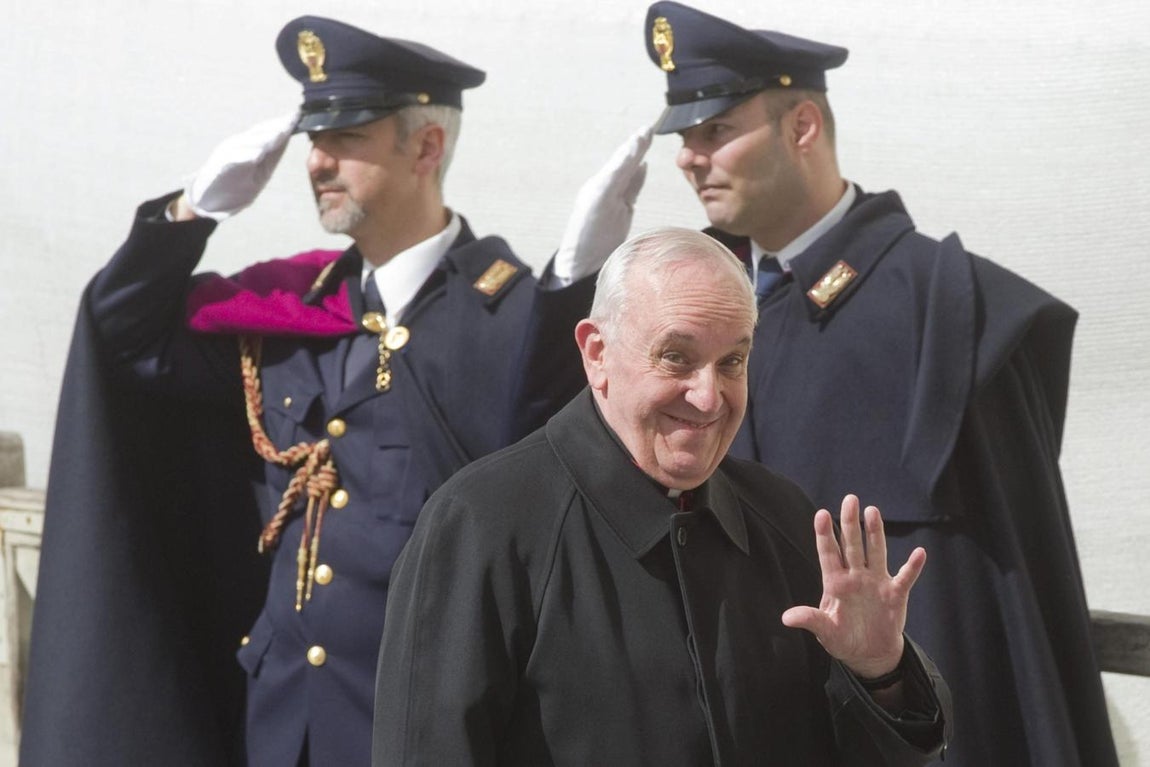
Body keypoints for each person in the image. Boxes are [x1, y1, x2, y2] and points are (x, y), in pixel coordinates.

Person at [19, 16, 647, 767]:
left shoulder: (505, 317)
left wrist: (572, 293)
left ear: (426, 146)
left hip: (420, 724)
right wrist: (190, 217)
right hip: (281, 719)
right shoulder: (294, 308)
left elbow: (554, 469)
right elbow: (123, 335)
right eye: (314, 140)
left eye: (346, 138)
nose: (318, 160)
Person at [571, 3, 1112, 765]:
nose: (690, 157)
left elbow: (995, 613)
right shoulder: (696, 305)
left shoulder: (943, 314)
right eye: (684, 138)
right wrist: (577, 277)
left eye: (717, 129)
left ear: (802, 127)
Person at [372, 227, 952, 766]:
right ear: (596, 353)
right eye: (676, 356)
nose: (708, 397)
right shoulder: (481, 525)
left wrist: (881, 674)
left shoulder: (784, 519)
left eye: (733, 362)